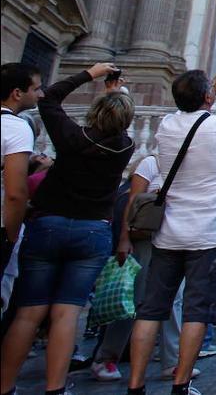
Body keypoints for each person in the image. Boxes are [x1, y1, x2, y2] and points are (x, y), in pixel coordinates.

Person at [127, 69, 216, 395]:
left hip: (168, 234)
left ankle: (135, 386)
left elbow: (189, 114)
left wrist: (210, 92)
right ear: (208, 98)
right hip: (209, 235)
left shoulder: (166, 126)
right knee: (196, 312)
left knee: (151, 310)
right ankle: (181, 383)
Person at [0, 63, 134, 395]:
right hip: (92, 233)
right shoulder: (124, 147)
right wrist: (115, 95)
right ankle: (55, 388)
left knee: (28, 314)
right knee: (66, 314)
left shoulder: (71, 137)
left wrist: (91, 74)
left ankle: (4, 386)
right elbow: (116, 121)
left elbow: (50, 98)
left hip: (47, 225)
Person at [94, 154, 195, 382]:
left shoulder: (193, 164)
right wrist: (124, 238)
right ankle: (106, 357)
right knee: (135, 300)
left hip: (176, 240)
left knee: (175, 301)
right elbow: (132, 202)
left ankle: (172, 361)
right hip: (147, 240)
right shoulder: (152, 163)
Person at [1, 63, 41, 278]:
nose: (40, 94)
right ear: (17, 93)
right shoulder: (16, 127)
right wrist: (12, 236)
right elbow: (15, 193)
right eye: (35, 89)